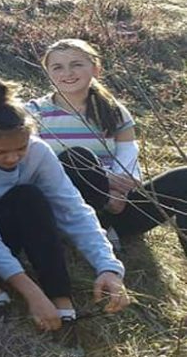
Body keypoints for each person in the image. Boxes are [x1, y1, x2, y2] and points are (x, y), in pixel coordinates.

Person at [0, 79, 130, 331]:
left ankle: (60, 298)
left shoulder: (38, 151)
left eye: (21, 149)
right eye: (0, 152)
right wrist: (31, 292)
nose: (13, 157)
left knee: (28, 197)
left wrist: (108, 266)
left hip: (5, 231)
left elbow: (73, 209)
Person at [28, 39, 187, 254]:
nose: (68, 73)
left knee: (184, 178)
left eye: (76, 64)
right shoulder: (33, 112)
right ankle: (91, 233)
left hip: (117, 208)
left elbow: (129, 163)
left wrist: (120, 192)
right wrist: (105, 186)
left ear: (96, 69)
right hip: (65, 209)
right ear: (47, 73)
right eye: (57, 67)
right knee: (76, 157)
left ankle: (109, 229)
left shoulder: (114, 111)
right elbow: (35, 167)